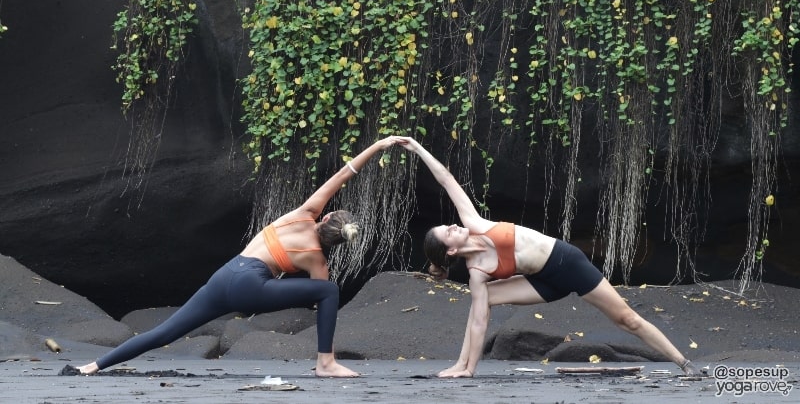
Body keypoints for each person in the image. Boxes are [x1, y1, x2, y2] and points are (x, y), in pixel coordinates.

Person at [76, 136, 403, 377]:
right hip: (251, 289)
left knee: (164, 332)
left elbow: (344, 174)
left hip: (226, 275)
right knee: (329, 290)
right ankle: (326, 363)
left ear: (328, 218)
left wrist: (379, 145)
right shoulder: (318, 261)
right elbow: (320, 301)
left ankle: (93, 366)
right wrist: (317, 284)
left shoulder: (304, 213)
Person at [397, 136, 702, 378]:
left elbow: (446, 179)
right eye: (448, 232)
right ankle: (463, 366)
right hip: (542, 283)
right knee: (481, 301)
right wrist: (468, 370)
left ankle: (683, 361)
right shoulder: (477, 271)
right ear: (451, 250)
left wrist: (417, 148)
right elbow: (479, 324)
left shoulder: (476, 224)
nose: (453, 225)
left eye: (449, 225)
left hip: (566, 264)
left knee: (627, 320)